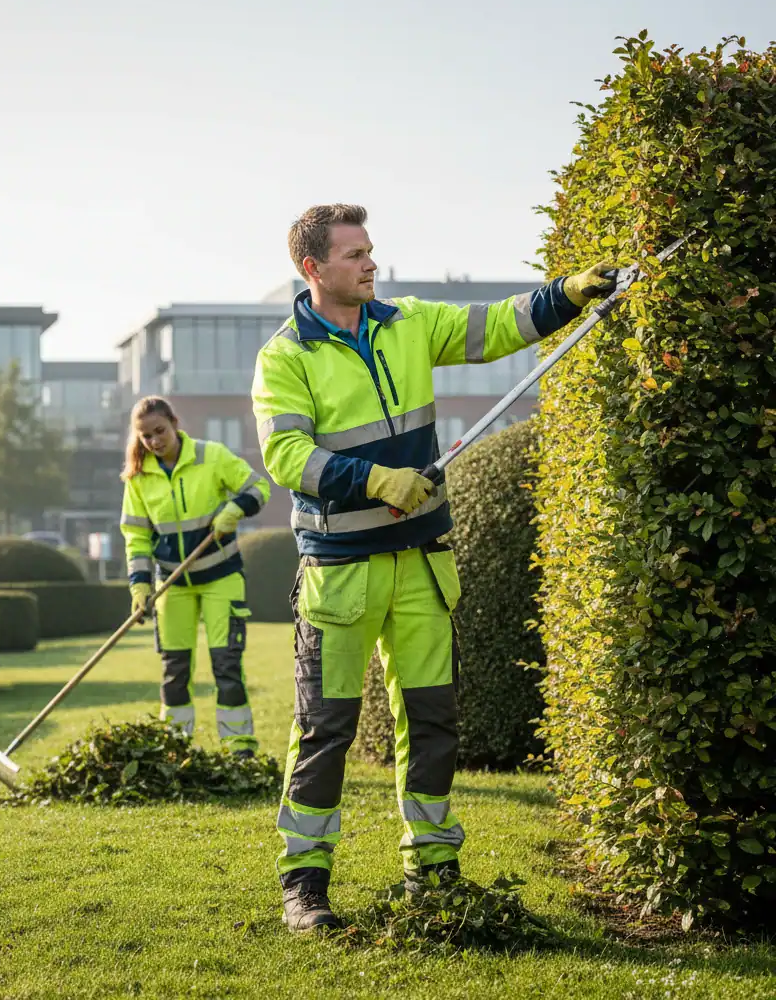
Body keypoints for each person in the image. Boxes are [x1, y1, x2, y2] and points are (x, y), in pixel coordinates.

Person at [251, 203, 617, 932]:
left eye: (371, 251)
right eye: (355, 254)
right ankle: (305, 885)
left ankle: (434, 869)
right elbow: (286, 455)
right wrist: (376, 480)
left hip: (421, 562)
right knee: (325, 729)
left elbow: (492, 328)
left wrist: (566, 293)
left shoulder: (407, 322)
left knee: (432, 723)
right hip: (341, 575)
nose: (370, 263)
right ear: (313, 268)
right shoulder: (285, 356)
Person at [120, 396, 271, 756]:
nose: (154, 441)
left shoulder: (212, 455)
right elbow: (137, 538)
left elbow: (259, 488)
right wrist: (140, 587)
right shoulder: (138, 479)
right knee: (174, 672)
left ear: (175, 422)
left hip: (222, 578)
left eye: (160, 431)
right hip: (173, 586)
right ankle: (174, 750)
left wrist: (234, 509)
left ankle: (239, 749)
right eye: (145, 437)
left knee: (226, 666)